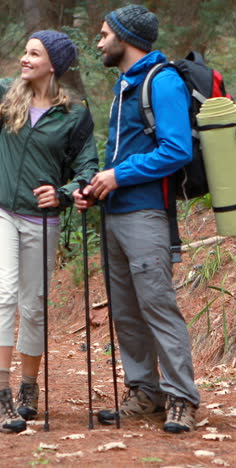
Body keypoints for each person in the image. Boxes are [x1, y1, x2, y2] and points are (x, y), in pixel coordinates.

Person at [74, 4, 200, 434]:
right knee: (126, 312)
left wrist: (118, 175)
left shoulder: (160, 81)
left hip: (146, 214)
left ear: (125, 38)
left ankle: (181, 398)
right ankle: (145, 392)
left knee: (157, 307)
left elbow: (177, 149)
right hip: (115, 214)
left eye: (105, 33)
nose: (99, 41)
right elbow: (121, 156)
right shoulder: (125, 85)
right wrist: (97, 185)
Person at [0, 30, 98, 433]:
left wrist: (64, 192)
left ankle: (28, 387)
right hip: (3, 212)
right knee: (4, 294)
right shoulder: (6, 95)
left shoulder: (74, 113)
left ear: (53, 64)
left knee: (34, 304)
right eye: (24, 51)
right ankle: (2, 393)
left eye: (34, 54)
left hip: (42, 220)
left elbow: (87, 169)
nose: (24, 59)